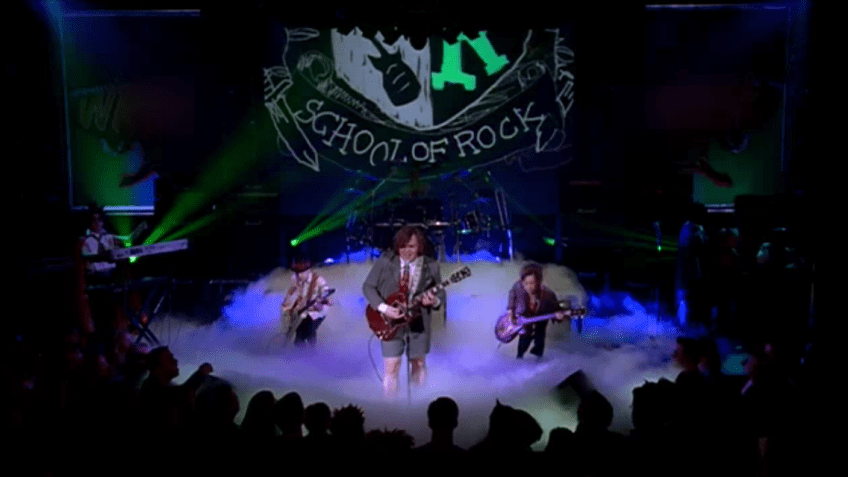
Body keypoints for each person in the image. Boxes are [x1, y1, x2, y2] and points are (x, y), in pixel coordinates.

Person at [363, 225, 444, 397]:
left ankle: (419, 403)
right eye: (402, 246)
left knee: (419, 364)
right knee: (392, 365)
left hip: (418, 321)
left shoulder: (431, 266)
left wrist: (434, 301)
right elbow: (368, 287)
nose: (407, 251)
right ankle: (391, 407)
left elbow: (440, 294)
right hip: (389, 322)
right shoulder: (386, 262)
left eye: (411, 246)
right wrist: (385, 309)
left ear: (419, 246)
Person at [506, 263, 566, 360]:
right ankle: (519, 357)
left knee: (540, 336)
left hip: (541, 315)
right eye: (526, 283)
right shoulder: (518, 286)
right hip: (525, 316)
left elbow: (557, 310)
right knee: (524, 337)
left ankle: (538, 357)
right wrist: (510, 313)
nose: (529, 287)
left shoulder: (548, 295)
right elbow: (512, 296)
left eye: (532, 283)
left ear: (539, 281)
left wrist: (560, 317)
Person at [280, 258, 332, 347]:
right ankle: (301, 350)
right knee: (298, 337)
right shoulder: (294, 278)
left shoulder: (318, 280)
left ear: (308, 270)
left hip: (316, 312)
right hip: (302, 310)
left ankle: (312, 349)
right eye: (296, 271)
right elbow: (292, 292)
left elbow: (326, 292)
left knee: (309, 329)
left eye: (302, 271)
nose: (299, 274)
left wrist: (323, 300)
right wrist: (287, 306)